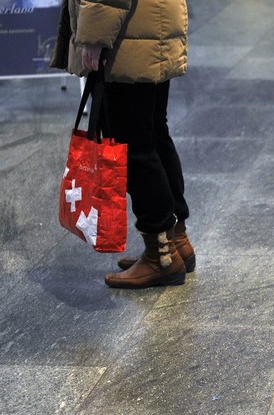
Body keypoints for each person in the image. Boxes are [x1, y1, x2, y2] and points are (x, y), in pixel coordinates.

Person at [51, 0, 195, 289]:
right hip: (149, 26)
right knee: (152, 131)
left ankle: (161, 256)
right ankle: (176, 241)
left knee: (133, 144)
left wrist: (94, 37)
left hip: (125, 35)